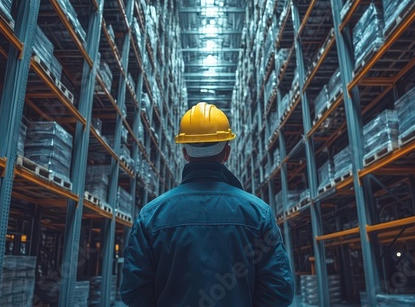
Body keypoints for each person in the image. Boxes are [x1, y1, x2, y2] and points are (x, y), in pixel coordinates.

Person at [121, 102, 294, 306]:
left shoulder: (150, 216)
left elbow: (133, 291)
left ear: (185, 153)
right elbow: (280, 289)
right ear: (227, 153)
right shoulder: (258, 214)